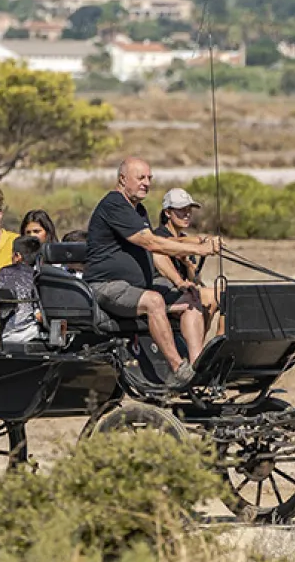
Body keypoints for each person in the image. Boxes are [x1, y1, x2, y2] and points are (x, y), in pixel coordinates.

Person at [84, 158, 221, 389]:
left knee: (191, 299)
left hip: (136, 288)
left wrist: (179, 282)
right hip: (107, 286)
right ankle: (178, 368)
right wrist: (198, 247)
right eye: (140, 178)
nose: (146, 183)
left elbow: (154, 254)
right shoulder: (114, 204)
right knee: (154, 301)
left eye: (149, 178)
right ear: (122, 179)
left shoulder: (138, 210)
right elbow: (151, 243)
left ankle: (196, 367)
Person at [151, 188, 219, 333]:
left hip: (184, 289)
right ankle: (198, 349)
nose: (187, 214)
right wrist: (202, 241)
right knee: (213, 295)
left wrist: (187, 263)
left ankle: (218, 340)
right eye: (181, 210)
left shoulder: (186, 240)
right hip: (164, 290)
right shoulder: (158, 236)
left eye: (189, 210)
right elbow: (170, 242)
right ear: (167, 213)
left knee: (225, 294)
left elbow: (195, 279)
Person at [0, 236, 44, 345]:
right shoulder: (37, 276)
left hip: (0, 335)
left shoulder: (3, 272)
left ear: (17, 256)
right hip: (27, 334)